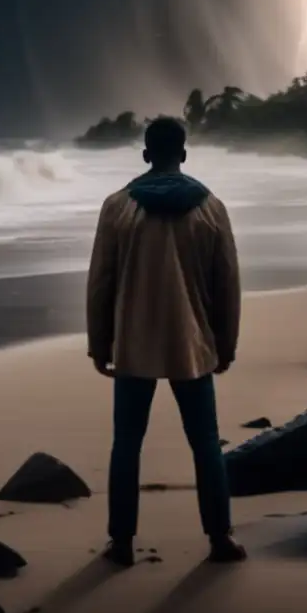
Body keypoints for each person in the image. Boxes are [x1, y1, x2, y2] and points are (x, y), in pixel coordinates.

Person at [86, 116, 246, 567]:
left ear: (144, 154)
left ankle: (121, 543)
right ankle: (220, 538)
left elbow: (100, 281)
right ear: (184, 154)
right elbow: (227, 284)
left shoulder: (117, 206)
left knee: (127, 444)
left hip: (134, 345)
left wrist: (101, 344)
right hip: (192, 345)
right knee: (206, 444)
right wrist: (226, 344)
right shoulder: (211, 207)